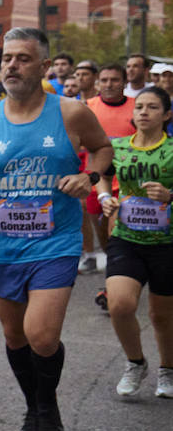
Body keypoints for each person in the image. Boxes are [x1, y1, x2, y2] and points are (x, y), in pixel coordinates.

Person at [0, 28, 112, 431]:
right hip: (2, 245)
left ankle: (48, 407)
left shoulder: (71, 112)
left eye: (23, 58)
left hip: (55, 241)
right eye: (7, 58)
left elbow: (102, 148)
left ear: (44, 67)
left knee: (41, 336)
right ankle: (34, 406)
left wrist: (89, 177)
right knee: (15, 338)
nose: (12, 65)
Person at [97, 86, 173, 398]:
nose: (143, 112)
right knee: (120, 304)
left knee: (161, 315)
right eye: (139, 106)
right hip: (126, 237)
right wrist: (105, 197)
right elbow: (102, 175)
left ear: (167, 115)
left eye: (152, 107)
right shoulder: (117, 147)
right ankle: (136, 362)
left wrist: (170, 197)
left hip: (167, 243)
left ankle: (167, 371)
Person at [83, 64, 137, 276]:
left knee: (117, 229)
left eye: (114, 80)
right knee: (102, 228)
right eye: (104, 80)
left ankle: (118, 272)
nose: (109, 85)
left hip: (126, 180)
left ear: (124, 82)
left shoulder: (137, 107)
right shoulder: (88, 107)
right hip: (96, 178)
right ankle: (113, 261)